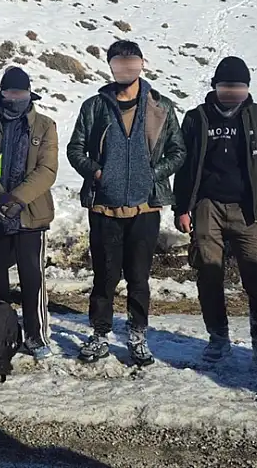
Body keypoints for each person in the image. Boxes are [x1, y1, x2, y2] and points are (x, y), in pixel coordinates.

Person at [66, 40, 187, 366]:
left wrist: (154, 173)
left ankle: (137, 336)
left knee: (138, 277)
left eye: (131, 63)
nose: (125, 69)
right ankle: (100, 335)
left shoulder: (160, 106)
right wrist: (97, 172)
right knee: (104, 276)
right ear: (110, 67)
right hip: (104, 207)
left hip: (145, 207)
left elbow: (179, 151)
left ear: (141, 64)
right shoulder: (94, 107)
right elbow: (75, 149)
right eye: (118, 63)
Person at [173, 56, 257, 367]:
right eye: (226, 87)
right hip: (206, 207)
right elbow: (183, 166)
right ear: (215, 86)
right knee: (208, 275)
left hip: (248, 209)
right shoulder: (196, 118)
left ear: (247, 88)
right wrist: (182, 207)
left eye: (238, 87)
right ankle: (218, 337)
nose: (232, 93)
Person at [0, 67, 58, 360]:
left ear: (29, 94)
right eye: (9, 92)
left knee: (32, 278)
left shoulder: (45, 126)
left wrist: (18, 199)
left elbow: (47, 170)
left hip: (30, 213)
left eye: (20, 92)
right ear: (1, 93)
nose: (14, 97)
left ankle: (35, 334)